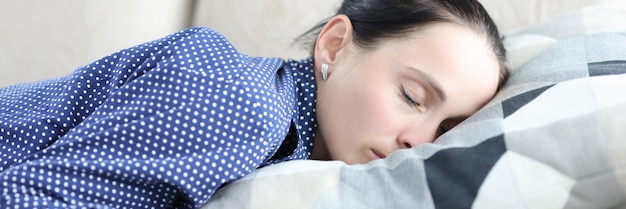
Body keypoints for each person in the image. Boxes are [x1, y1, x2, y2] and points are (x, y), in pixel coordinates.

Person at [0, 0, 508, 208]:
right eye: (411, 96)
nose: (417, 141)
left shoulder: (296, 152)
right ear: (333, 46)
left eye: (447, 129)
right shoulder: (242, 105)